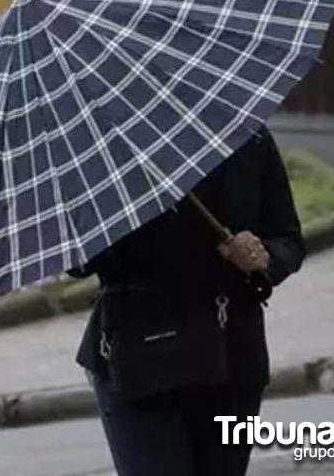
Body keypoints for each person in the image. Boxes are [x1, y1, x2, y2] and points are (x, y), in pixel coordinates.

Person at [70, 127, 305, 476]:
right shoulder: (98, 146)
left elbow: (288, 238)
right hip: (140, 356)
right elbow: (78, 260)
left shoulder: (244, 134)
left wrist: (262, 256)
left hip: (232, 355)